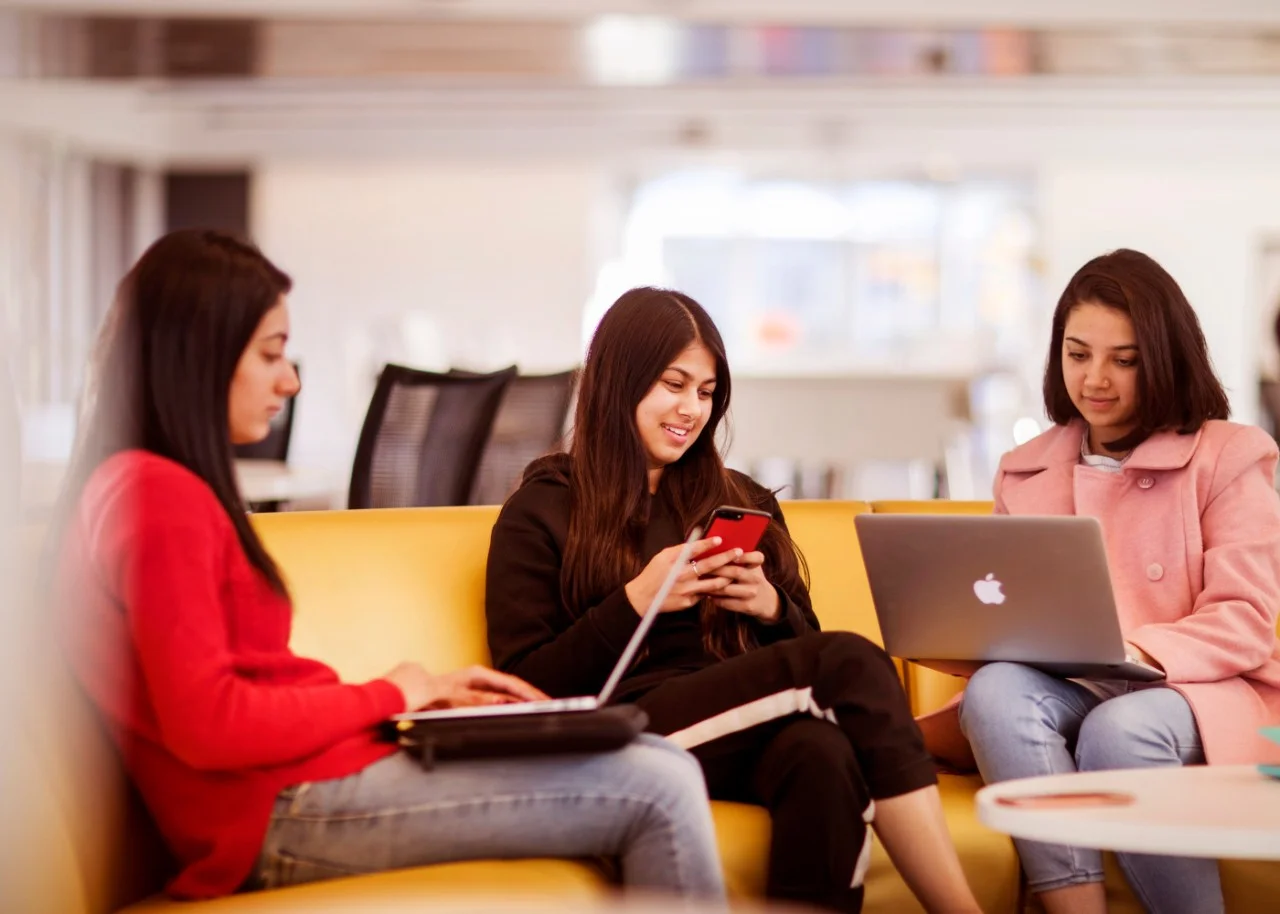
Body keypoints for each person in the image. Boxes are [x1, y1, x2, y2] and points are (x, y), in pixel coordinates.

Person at [50, 231, 726, 902]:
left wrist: (418, 695)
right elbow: (210, 725)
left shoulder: (149, 488)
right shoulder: (154, 497)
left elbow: (242, 695)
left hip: (306, 782)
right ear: (195, 357)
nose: (290, 381)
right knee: (659, 788)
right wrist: (392, 695)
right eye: (271, 354)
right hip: (279, 811)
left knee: (657, 760)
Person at [484, 287, 982, 914]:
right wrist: (636, 601)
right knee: (852, 663)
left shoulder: (739, 500)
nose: (691, 408)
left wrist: (770, 608)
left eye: (706, 391)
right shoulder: (542, 508)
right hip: (621, 731)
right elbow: (521, 687)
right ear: (620, 379)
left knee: (822, 755)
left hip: (735, 725)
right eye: (673, 383)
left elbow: (808, 656)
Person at [952, 249, 1280, 914]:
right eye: (1077, 354)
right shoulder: (1024, 469)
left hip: (1202, 691)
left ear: (1164, 357)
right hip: (1078, 683)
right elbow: (1005, 606)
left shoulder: (1232, 454)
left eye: (1124, 360)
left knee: (1119, 729)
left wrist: (1142, 654)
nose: (1095, 379)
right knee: (993, 690)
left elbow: (1246, 618)